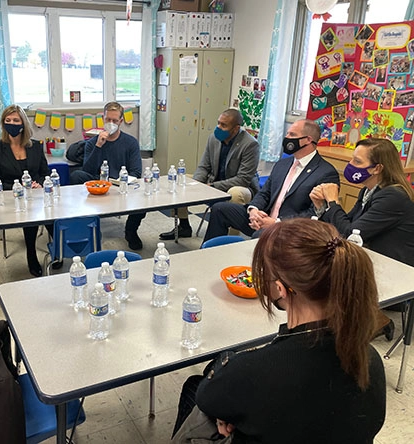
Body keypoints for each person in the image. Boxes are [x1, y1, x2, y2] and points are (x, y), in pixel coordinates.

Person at [172, 219, 386, 444]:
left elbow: (207, 398)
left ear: (280, 289)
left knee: (194, 387)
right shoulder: (370, 361)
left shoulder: (256, 371)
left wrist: (227, 368)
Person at [202, 119, 339, 243]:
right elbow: (264, 193)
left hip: (289, 228)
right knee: (220, 209)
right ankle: (208, 253)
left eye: (292, 135)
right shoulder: (283, 164)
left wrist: (276, 223)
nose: (286, 138)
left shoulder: (326, 173)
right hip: (264, 218)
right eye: (287, 134)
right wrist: (253, 210)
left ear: (308, 140)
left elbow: (314, 214)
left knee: (260, 236)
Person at [311, 137, 414, 266]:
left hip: (395, 268)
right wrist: (322, 206)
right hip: (372, 260)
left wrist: (333, 201)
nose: (350, 164)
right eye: (352, 158)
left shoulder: (393, 196)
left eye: (357, 161)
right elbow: (345, 224)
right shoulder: (367, 190)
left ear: (377, 169)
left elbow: (351, 235)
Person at [159, 109, 260, 240]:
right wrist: (196, 184)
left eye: (224, 125)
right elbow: (204, 166)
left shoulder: (250, 144)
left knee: (235, 193)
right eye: (218, 123)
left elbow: (243, 179)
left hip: (242, 187)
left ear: (236, 129)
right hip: (213, 181)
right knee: (180, 180)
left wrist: (212, 186)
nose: (219, 127)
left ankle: (230, 238)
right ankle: (183, 226)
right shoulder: (213, 138)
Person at [0, 104, 53, 277]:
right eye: (8, 120)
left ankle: (57, 251)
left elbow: (44, 173)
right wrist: (20, 188)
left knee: (52, 213)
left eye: (16, 120)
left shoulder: (36, 146)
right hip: (10, 198)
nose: (12, 123)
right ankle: (32, 255)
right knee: (30, 217)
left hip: (36, 196)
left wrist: (38, 184)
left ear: (23, 123)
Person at [70, 101, 146, 250]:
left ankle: (131, 231)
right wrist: (99, 146)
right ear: (103, 119)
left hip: (121, 183)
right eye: (107, 120)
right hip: (98, 184)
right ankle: (87, 225)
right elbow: (88, 169)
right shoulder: (93, 142)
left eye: (114, 121)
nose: (110, 123)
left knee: (143, 194)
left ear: (121, 122)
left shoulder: (131, 142)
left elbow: (136, 172)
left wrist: (119, 182)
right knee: (76, 175)